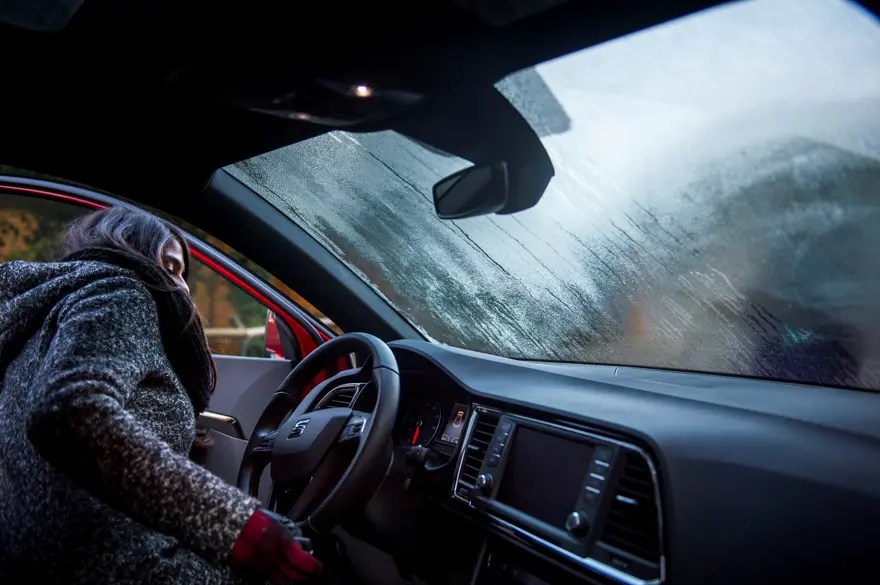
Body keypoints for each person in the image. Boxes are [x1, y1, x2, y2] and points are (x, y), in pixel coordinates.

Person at [0, 207, 322, 584]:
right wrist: (240, 528)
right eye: (170, 267)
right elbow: (68, 412)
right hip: (113, 562)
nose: (184, 288)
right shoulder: (120, 293)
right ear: (130, 248)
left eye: (183, 274)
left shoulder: (46, 315)